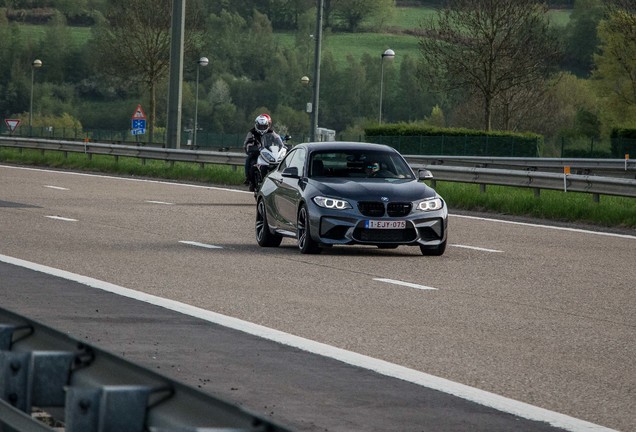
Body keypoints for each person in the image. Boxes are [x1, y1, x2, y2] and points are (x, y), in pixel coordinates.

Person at [243, 114, 275, 191]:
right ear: (256, 125)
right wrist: (250, 145)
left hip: (267, 152)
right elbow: (246, 143)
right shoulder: (252, 132)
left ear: (267, 125)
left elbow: (277, 139)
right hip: (255, 152)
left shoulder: (271, 132)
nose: (262, 128)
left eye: (264, 126)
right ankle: (248, 179)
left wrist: (282, 144)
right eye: (260, 126)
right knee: (248, 160)